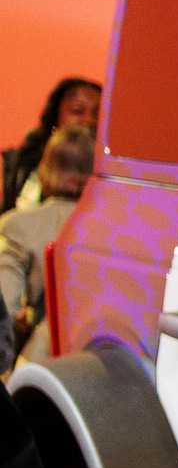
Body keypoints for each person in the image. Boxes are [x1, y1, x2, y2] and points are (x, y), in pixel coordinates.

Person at [0, 121, 90, 355]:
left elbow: (5, 306)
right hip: (105, 361)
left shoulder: (18, 226)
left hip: (42, 357)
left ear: (46, 166)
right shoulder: (118, 227)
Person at [3, 78, 97, 207]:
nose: (88, 120)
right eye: (77, 111)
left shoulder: (112, 173)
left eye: (97, 113)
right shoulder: (17, 165)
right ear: (54, 119)